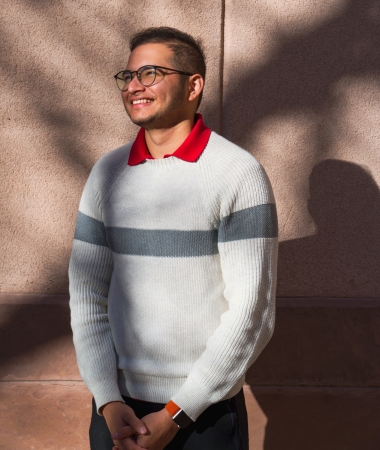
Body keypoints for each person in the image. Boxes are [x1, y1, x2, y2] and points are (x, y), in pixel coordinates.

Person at [69, 26, 278, 450]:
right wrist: (107, 399)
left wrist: (177, 412)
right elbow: (87, 293)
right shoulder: (107, 174)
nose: (134, 87)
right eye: (128, 76)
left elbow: (251, 313)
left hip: (202, 417)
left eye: (150, 73)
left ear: (193, 84)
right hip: (116, 415)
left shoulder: (237, 173)